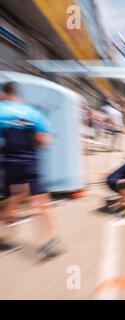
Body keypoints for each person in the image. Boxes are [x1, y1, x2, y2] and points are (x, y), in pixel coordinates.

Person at [0, 82, 61, 258]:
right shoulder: (33, 113)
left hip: (9, 164)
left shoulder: (1, 111)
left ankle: (4, 239)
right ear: (17, 94)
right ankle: (47, 242)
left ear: (4, 94)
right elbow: (44, 140)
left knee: (12, 199)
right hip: (30, 163)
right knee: (41, 202)